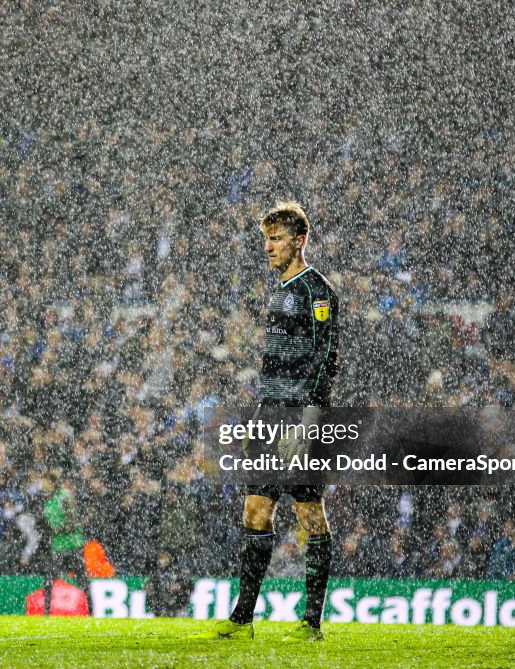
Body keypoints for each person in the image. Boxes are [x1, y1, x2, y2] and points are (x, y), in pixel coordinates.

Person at [191, 201, 340, 641]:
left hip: (300, 415)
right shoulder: (277, 290)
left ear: (299, 241)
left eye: (276, 239)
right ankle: (243, 618)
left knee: (309, 513)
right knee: (255, 509)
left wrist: (309, 417)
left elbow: (325, 358)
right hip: (270, 414)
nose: (269, 247)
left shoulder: (317, 291)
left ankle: (311, 621)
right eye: (266, 239)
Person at [41, 477, 91, 615]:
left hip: (73, 545)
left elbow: (73, 522)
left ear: (52, 484)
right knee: (49, 580)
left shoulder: (64, 497)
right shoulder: (48, 504)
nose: (43, 486)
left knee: (82, 580)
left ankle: (92, 611)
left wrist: (59, 529)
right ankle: (46, 613)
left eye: (45, 482)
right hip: (58, 547)